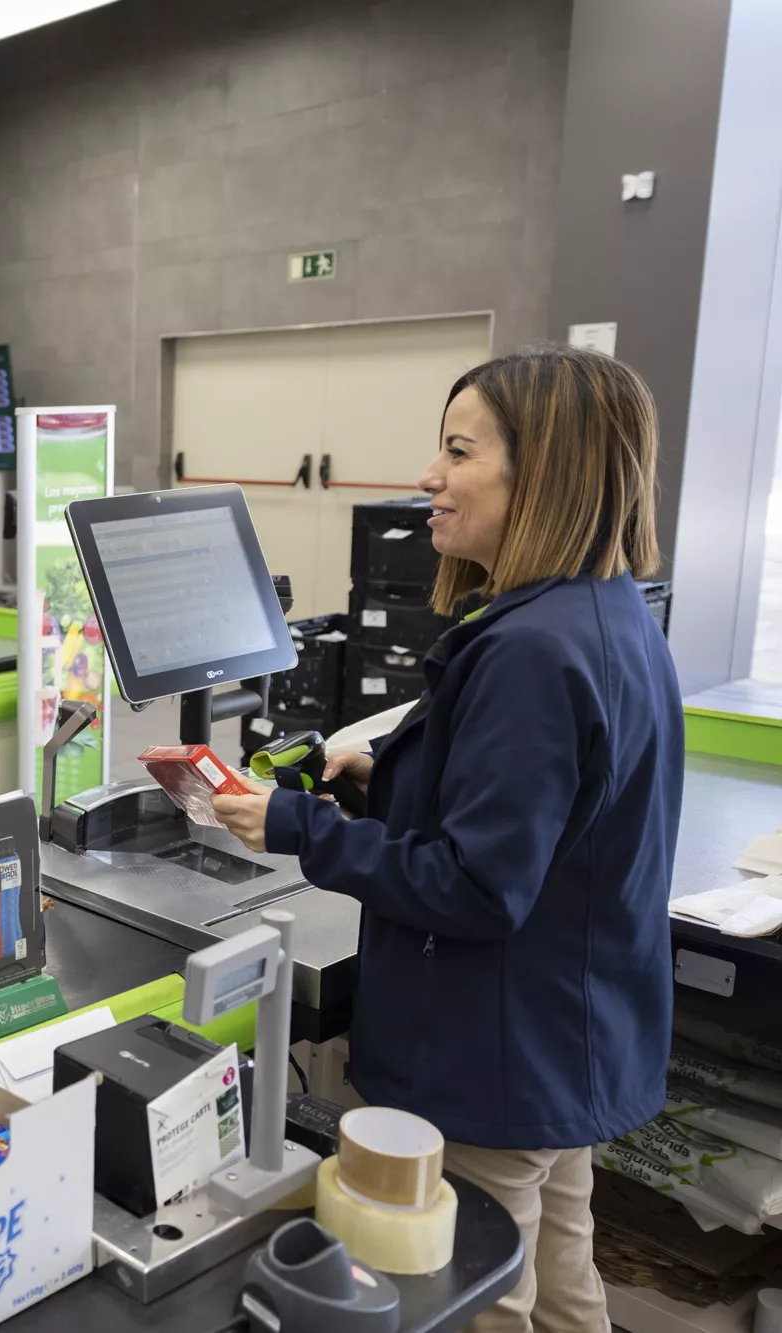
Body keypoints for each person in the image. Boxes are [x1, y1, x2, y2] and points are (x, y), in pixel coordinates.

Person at [210, 346, 680, 1333]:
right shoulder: (607, 614)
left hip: (490, 1061)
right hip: (564, 1042)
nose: (428, 475)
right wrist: (382, 778)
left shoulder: (528, 650)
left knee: (478, 1306)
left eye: (459, 452)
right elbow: (547, 815)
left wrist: (295, 823)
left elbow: (476, 885)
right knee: (562, 1285)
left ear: (541, 471)